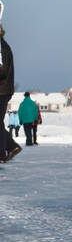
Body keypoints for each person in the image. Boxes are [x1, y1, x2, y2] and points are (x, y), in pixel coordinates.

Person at [0, 25, 21, 162]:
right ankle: (11, 146)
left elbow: (2, 70)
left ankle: (2, 152)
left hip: (2, 90)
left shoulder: (2, 47)